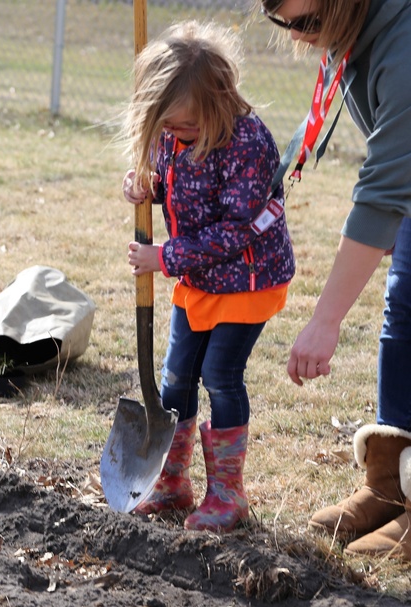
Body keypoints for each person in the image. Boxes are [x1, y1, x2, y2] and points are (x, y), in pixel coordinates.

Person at [118, 21, 295, 532]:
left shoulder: (248, 141)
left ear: (218, 103)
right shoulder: (176, 131)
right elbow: (172, 182)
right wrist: (145, 187)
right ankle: (172, 480)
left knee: (220, 376)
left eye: (183, 129)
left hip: (247, 279)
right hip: (198, 280)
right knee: (176, 376)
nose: (176, 138)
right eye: (167, 130)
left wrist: (165, 257)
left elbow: (236, 228)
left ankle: (227, 494)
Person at [260, 0, 411, 560]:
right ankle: (388, 486)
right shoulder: (359, 29)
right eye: (288, 25)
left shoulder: (403, 44)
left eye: (309, 22)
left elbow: (383, 186)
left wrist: (325, 321)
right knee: (403, 314)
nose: (300, 37)